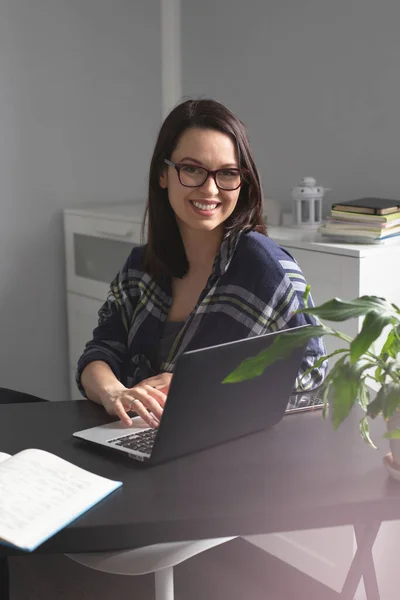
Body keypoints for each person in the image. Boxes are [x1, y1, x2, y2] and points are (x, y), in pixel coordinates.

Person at [77, 98, 327, 428]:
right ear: (163, 174)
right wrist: (115, 394)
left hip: (224, 450)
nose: (210, 189)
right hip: (133, 434)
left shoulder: (269, 271)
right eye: (192, 169)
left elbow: (312, 374)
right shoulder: (140, 267)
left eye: (227, 173)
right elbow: (100, 352)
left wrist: (199, 385)